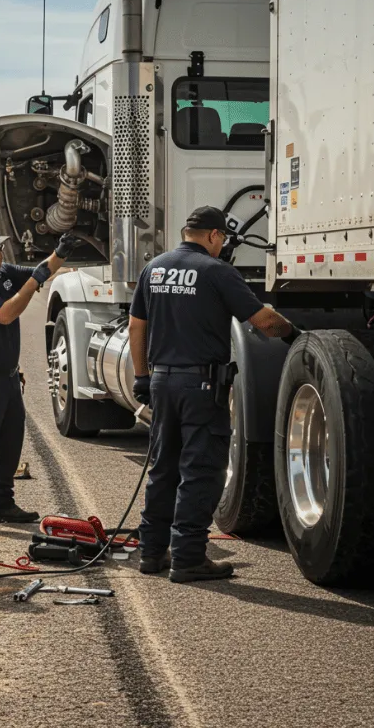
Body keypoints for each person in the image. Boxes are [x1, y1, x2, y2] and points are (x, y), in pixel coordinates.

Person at [128, 206, 300, 583]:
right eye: (221, 239)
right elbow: (263, 321)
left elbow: (136, 326)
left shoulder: (153, 268)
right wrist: (294, 335)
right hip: (200, 386)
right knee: (201, 470)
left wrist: (142, 377)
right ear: (213, 235)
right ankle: (188, 558)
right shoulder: (216, 271)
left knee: (163, 468)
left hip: (162, 383)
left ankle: (151, 552)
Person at [0, 226, 81, 531]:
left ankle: (2, 504)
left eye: (0, 247)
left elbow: (42, 271)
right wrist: (32, 284)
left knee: (10, 444)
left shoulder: (3, 272)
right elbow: (6, 314)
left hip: (7, 378)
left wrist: (60, 252)